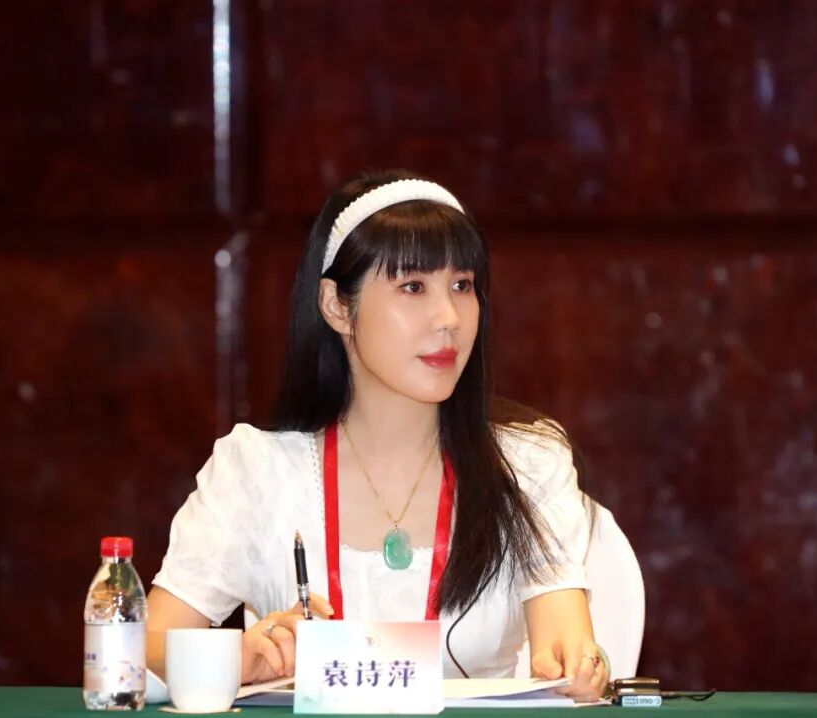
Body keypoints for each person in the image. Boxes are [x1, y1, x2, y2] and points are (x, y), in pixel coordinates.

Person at [146, 169, 610, 702]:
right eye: (413, 287)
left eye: (462, 286)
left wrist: (580, 665)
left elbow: (567, 642)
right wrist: (236, 658)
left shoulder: (527, 461)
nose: (449, 318)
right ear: (336, 306)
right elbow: (142, 650)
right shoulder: (257, 471)